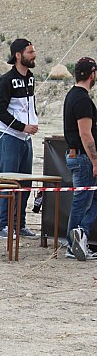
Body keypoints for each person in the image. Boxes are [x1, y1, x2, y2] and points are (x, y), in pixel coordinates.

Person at [0, 38, 38, 239]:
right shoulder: (6, 80)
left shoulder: (31, 78)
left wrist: (32, 121)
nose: (34, 55)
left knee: (25, 184)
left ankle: (19, 224)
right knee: (9, 182)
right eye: (30, 52)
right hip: (9, 136)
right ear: (18, 55)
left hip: (26, 139)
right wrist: (22, 126)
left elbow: (28, 106)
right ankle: (4, 225)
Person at [63, 57, 97, 260]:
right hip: (83, 157)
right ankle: (74, 240)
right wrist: (95, 160)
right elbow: (86, 134)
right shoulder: (83, 100)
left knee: (87, 200)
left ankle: (79, 236)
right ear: (92, 73)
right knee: (82, 201)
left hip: (77, 155)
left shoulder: (73, 96)